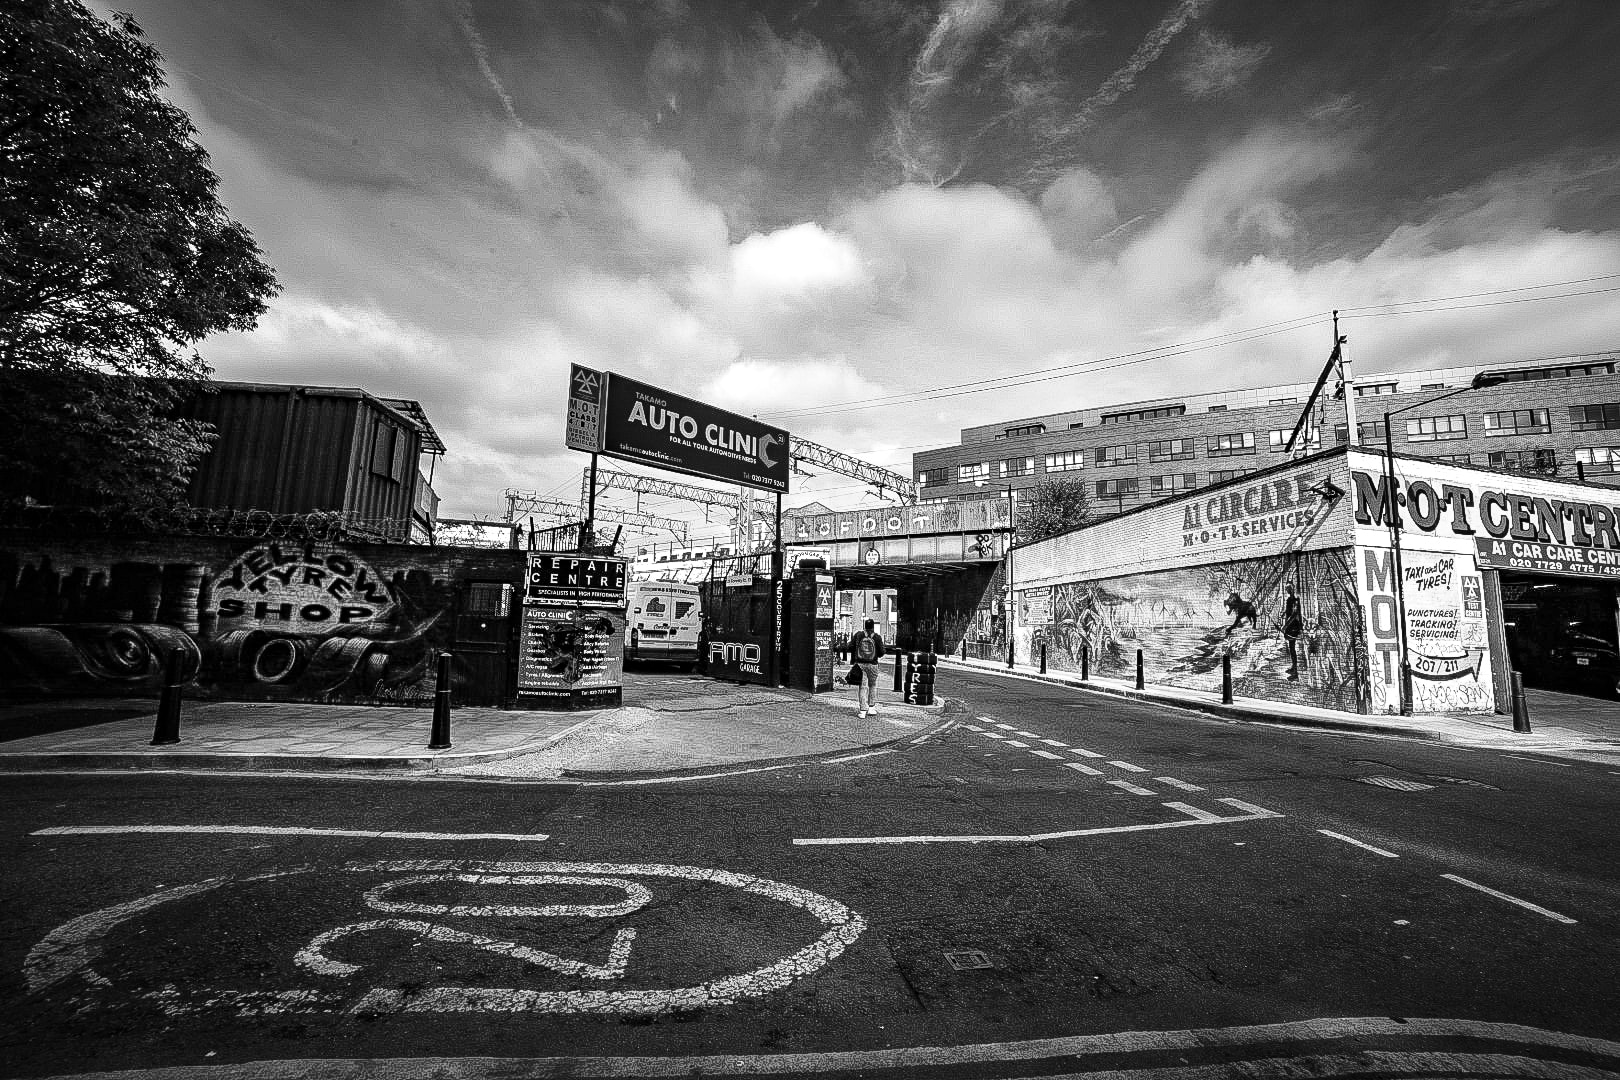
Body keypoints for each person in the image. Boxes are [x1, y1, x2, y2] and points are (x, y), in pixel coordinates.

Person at [852, 617, 885, 717]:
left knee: (862, 687)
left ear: (865, 626)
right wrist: (875, 655)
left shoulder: (859, 635)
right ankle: (871, 708)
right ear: (873, 627)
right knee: (872, 685)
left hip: (860, 664)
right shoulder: (877, 637)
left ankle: (862, 710)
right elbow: (882, 652)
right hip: (873, 664)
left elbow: (850, 646)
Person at [1282, 583, 1304, 680]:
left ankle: (1295, 673)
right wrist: (1284, 613)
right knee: (1291, 648)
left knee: (1292, 648)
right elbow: (1289, 611)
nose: (1287, 591)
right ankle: (1293, 667)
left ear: (1292, 590)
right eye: (1287, 589)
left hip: (1293, 626)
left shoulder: (1295, 600)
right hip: (1290, 626)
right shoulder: (1289, 600)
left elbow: (1294, 614)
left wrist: (1285, 625)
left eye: (1288, 589)